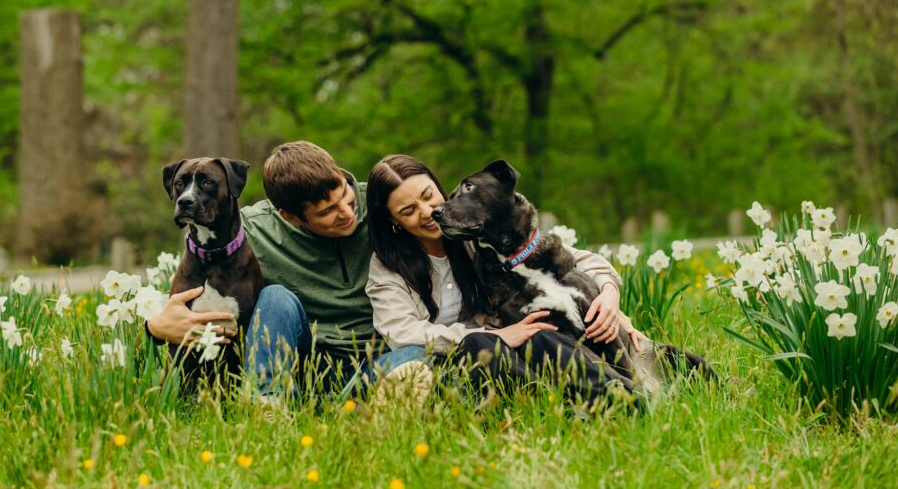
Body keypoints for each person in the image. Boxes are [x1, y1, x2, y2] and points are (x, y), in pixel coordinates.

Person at [145, 141, 431, 403]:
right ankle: (267, 403)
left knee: (416, 356)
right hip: (303, 366)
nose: (347, 212)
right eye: (327, 211)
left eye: (345, 193)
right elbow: (187, 284)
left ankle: (367, 403)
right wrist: (155, 328)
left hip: (377, 362)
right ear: (290, 217)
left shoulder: (383, 204)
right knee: (275, 296)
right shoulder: (249, 231)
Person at [364, 154, 646, 403]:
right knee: (478, 346)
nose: (427, 213)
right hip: (450, 363)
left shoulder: (475, 236)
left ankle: (617, 398)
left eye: (428, 196)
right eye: (408, 211)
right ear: (394, 222)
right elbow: (400, 332)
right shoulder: (388, 266)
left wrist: (609, 295)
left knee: (542, 336)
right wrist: (493, 336)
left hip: (516, 350)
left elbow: (569, 257)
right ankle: (549, 402)